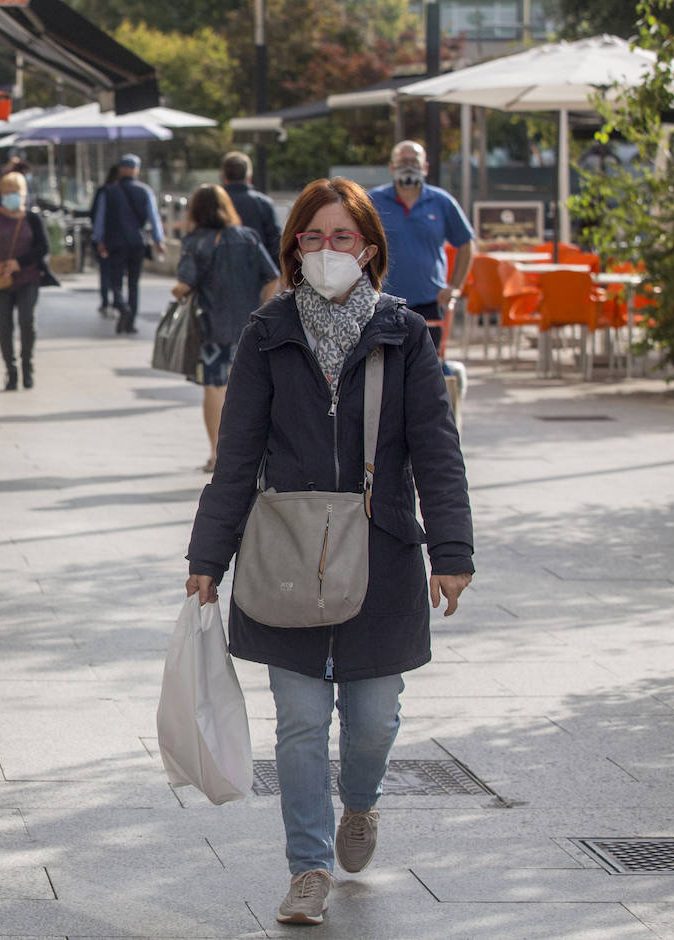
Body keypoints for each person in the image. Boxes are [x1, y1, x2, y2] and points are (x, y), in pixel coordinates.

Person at [184, 177, 473, 927]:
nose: (326, 250)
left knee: (374, 719)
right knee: (303, 721)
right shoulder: (268, 332)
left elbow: (437, 450)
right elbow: (237, 454)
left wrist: (452, 547)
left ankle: (364, 803)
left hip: (381, 553)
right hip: (286, 555)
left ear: (370, 250)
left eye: (342, 237)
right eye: (312, 238)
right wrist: (207, 558)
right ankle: (306, 868)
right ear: (294, 249)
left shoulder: (404, 334)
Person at [171, 184, 280, 472]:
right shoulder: (248, 237)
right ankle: (252, 454)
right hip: (249, 326)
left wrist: (177, 292)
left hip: (212, 327)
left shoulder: (194, 241)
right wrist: (262, 310)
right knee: (250, 390)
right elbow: (272, 277)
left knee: (215, 389)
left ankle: (218, 455)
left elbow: (185, 284)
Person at [369, 140, 475, 352]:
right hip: (382, 301)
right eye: (402, 161)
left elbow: (466, 243)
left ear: (425, 167)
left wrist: (455, 286)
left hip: (429, 302)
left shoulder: (442, 202)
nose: (408, 166)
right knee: (385, 370)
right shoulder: (373, 201)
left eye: (414, 161)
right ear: (391, 167)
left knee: (426, 370)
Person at [0, 171, 59, 390]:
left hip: (28, 278)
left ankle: (28, 365)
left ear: (24, 194)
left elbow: (44, 248)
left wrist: (19, 262)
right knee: (5, 326)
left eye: (15, 192)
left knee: (27, 321)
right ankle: (11, 370)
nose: (12, 196)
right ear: (1, 194)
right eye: (7, 192)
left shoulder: (33, 218)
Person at [93, 153, 165, 334]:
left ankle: (120, 305)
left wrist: (99, 240)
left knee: (115, 279)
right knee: (134, 283)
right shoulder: (145, 191)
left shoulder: (108, 191)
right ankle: (130, 321)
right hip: (137, 242)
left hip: (115, 242)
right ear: (136, 170)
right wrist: (159, 240)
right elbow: (154, 218)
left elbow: (100, 218)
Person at [221, 150, 282, 269]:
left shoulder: (215, 203)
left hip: (221, 273)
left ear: (224, 177)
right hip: (257, 273)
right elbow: (275, 243)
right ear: (248, 177)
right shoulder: (263, 203)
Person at [88, 165, 121, 317]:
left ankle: (107, 302)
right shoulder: (112, 192)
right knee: (116, 272)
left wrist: (99, 239)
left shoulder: (105, 191)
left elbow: (96, 216)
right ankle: (116, 301)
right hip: (119, 240)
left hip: (108, 239)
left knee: (105, 271)